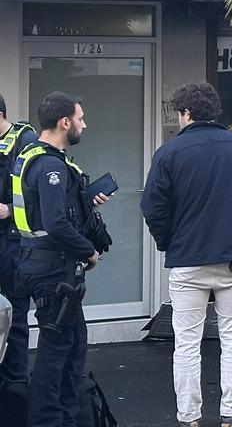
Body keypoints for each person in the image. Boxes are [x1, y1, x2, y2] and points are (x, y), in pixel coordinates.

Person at [142, 82, 232, 427]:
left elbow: (152, 207)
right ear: (216, 113)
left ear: (186, 114)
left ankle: (189, 417)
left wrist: (167, 241)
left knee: (186, 343)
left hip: (187, 260)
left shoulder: (169, 153)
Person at [12, 92, 109, 427]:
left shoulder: (32, 156)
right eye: (80, 118)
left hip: (47, 267)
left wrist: (87, 206)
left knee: (72, 347)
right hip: (52, 270)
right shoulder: (50, 165)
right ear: (65, 122)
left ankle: (69, 418)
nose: (84, 123)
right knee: (56, 354)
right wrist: (88, 250)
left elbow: (51, 214)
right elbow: (54, 224)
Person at [0, 94, 38, 416]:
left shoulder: (25, 141)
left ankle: (15, 387)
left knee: (14, 317)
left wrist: (9, 210)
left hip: (13, 244)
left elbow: (38, 195)